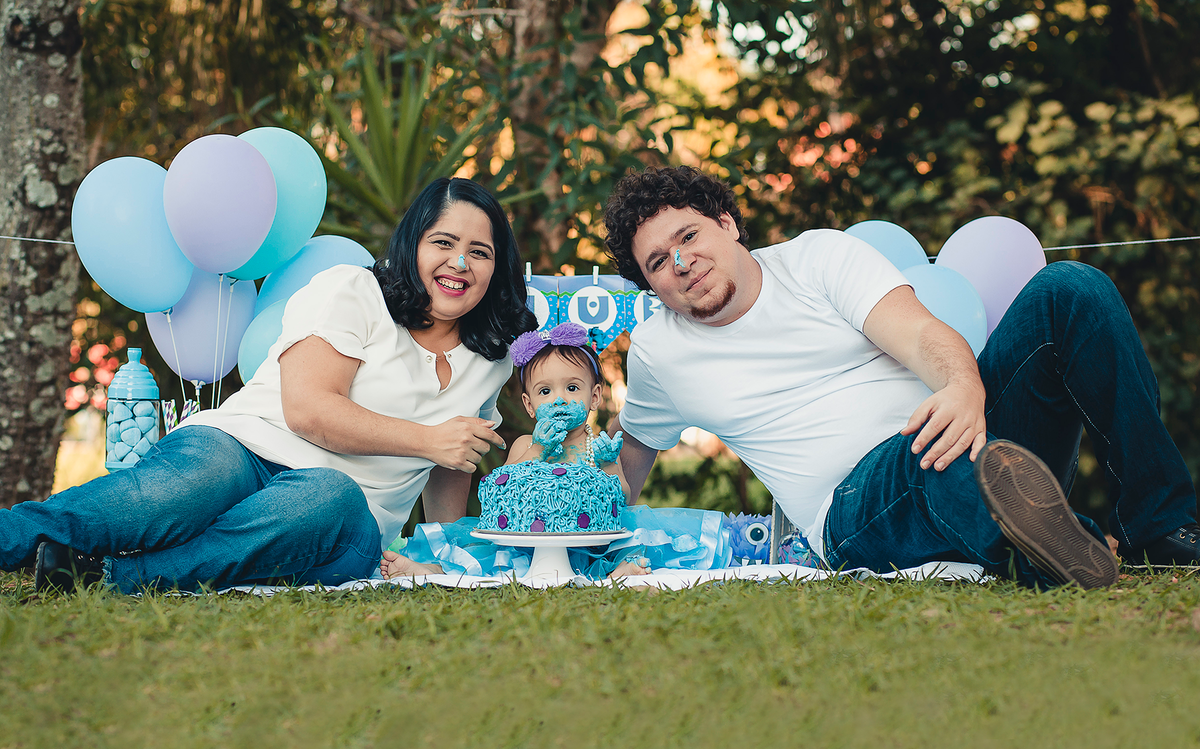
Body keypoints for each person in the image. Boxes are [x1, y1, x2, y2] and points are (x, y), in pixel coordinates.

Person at [602, 165, 1198, 589]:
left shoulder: (818, 258)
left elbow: (919, 334)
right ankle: (1069, 549)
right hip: (855, 511)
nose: (681, 262)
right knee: (929, 459)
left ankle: (1161, 528)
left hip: (969, 436)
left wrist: (963, 387)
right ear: (650, 284)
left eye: (688, 236)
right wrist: (576, 534)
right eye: (658, 263)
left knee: (1070, 290)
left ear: (727, 223)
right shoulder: (659, 353)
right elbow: (630, 459)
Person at [0, 177, 536, 593]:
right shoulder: (354, 290)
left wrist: (444, 559)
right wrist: (428, 439)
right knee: (186, 487)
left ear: (497, 267)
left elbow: (453, 458)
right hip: (241, 448)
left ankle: (104, 577)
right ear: (413, 244)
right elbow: (308, 410)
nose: (459, 262)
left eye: (480, 252)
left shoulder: (492, 356)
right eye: (443, 242)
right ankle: (17, 539)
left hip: (343, 520)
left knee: (329, 495)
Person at [380, 322, 729, 579]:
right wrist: (539, 448)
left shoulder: (596, 446)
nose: (559, 399)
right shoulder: (525, 444)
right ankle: (431, 570)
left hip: (590, 543)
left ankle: (619, 571)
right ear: (529, 405)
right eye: (545, 392)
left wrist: (610, 465)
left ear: (594, 397)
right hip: (525, 543)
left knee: (633, 543)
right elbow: (504, 487)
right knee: (486, 555)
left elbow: (622, 498)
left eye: (572, 388)